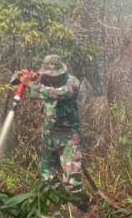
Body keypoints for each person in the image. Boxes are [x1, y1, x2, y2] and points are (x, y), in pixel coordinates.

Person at [19, 55, 85, 206]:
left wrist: (31, 84)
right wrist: (22, 76)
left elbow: (56, 93)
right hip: (50, 133)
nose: (49, 77)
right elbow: (18, 81)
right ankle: (53, 201)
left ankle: (73, 205)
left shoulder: (72, 83)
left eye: (52, 74)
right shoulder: (42, 80)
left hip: (69, 134)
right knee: (47, 172)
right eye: (47, 74)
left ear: (61, 72)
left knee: (72, 172)